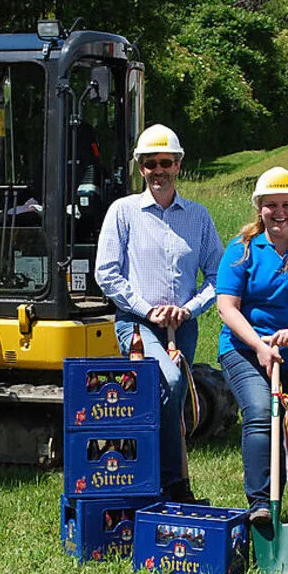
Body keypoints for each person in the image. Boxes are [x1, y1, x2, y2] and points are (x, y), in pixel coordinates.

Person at [95, 124, 224, 503]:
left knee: (171, 393)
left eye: (165, 162)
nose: (158, 170)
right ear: (141, 168)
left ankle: (147, 480)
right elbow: (107, 272)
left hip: (182, 326)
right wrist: (147, 310)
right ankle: (171, 483)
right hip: (136, 324)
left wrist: (188, 308)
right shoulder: (123, 212)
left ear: (178, 165)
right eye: (150, 164)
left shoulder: (198, 217)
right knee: (167, 380)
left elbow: (217, 274)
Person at [215, 167, 288, 524]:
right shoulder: (242, 249)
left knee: (282, 429)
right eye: (271, 205)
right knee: (259, 413)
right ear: (259, 208)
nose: (279, 212)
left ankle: (275, 500)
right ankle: (259, 504)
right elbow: (226, 307)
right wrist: (260, 346)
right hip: (243, 348)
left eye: (286, 204)